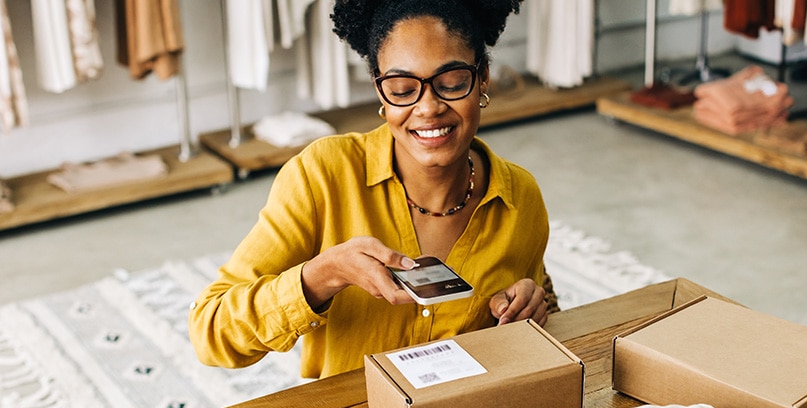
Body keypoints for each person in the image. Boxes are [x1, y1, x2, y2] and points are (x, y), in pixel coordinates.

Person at [189, 0, 555, 379]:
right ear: (380, 91)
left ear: (483, 78)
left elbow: (543, 305)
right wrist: (321, 276)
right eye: (401, 88)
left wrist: (534, 305)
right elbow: (210, 332)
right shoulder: (323, 177)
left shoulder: (520, 197)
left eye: (451, 83)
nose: (428, 107)